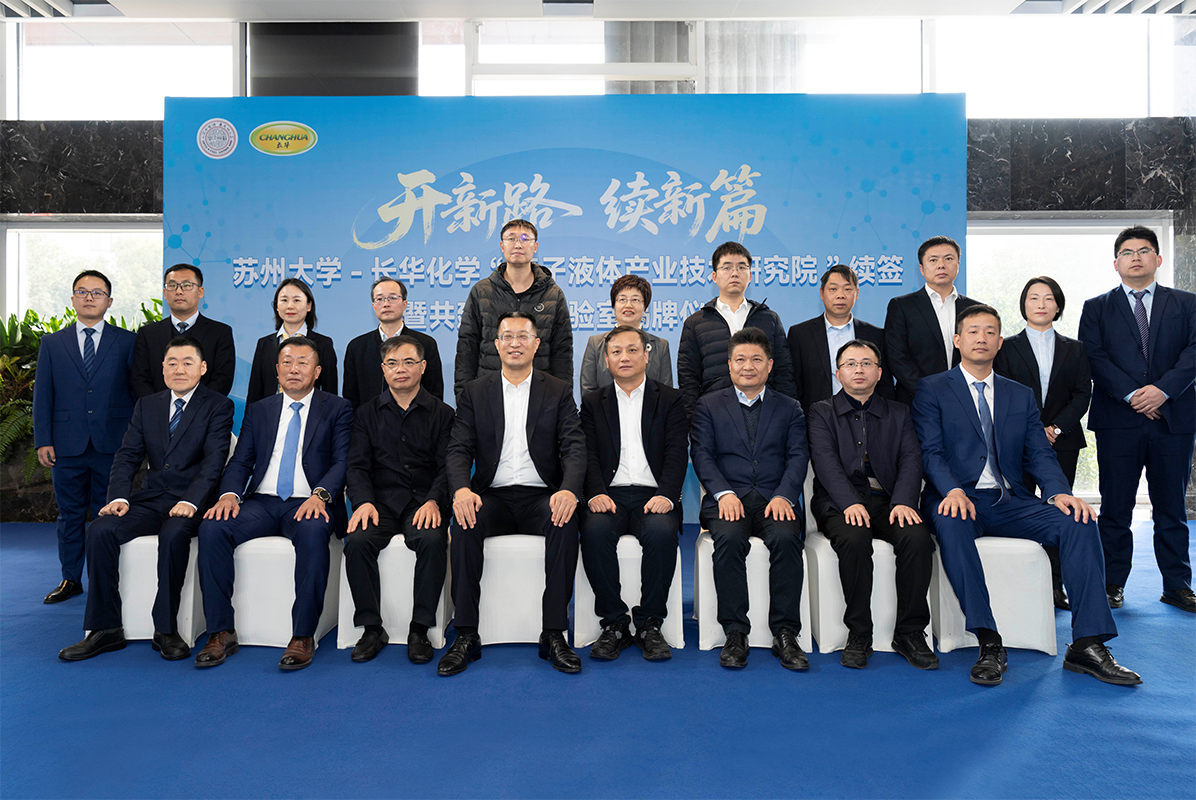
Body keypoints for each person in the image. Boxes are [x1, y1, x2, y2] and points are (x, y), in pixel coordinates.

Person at [912, 304, 1140, 686]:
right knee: (952, 523)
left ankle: (1087, 643)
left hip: (1010, 500)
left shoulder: (1019, 394)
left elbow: (1038, 453)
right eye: (973, 331)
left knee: (1078, 521)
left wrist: (1059, 492)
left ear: (1000, 342)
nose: (981, 338)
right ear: (957, 340)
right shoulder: (933, 388)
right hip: (957, 498)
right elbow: (930, 452)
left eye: (990, 332)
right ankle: (989, 641)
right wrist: (951, 489)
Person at [58, 337, 234, 662]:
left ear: (202, 368)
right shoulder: (147, 405)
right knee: (100, 530)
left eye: (187, 363)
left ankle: (165, 629)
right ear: (162, 368)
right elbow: (127, 456)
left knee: (173, 534)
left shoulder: (218, 406)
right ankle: (105, 628)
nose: (179, 369)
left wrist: (191, 501)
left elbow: (214, 462)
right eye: (172, 363)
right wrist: (119, 497)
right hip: (151, 499)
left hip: (192, 502)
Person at [439, 312, 586, 676]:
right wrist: (461, 490)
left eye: (523, 336)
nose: (515, 343)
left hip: (541, 497)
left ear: (536, 344)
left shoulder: (557, 390)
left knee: (564, 520)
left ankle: (553, 633)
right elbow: (458, 449)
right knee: (465, 521)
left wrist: (569, 490)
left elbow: (574, 446)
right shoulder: (476, 391)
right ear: (496, 344)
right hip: (493, 496)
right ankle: (466, 633)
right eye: (507, 336)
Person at [195, 336, 353, 670]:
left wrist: (320, 495)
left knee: (313, 532)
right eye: (287, 362)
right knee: (212, 527)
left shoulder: (337, 408)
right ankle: (221, 631)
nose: (294, 369)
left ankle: (302, 635)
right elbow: (241, 461)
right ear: (277, 370)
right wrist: (229, 494)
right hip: (262, 503)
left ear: (317, 371)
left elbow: (343, 461)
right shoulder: (260, 410)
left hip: (309, 501)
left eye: (303, 362)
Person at [1079, 226, 1196, 613]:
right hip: (1119, 420)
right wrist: (1134, 395)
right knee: (1115, 508)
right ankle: (1112, 583)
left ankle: (1177, 585)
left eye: (1144, 251)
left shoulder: (1187, 303)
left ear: (1157, 259)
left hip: (1172, 419)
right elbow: (1094, 357)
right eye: (1127, 252)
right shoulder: (1097, 307)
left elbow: (1193, 352)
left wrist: (1162, 391)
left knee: (1171, 508)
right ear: (1116, 263)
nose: (1135, 257)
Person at [807, 340, 936, 670]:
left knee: (918, 539)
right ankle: (859, 633)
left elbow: (911, 459)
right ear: (838, 373)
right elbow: (825, 462)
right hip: (840, 503)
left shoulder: (899, 412)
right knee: (854, 539)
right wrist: (849, 502)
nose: (859, 370)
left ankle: (909, 632)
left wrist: (904, 501)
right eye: (850, 364)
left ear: (879, 373)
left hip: (888, 501)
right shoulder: (821, 412)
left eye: (866, 363)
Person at [690, 327, 809, 671]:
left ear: (769, 365)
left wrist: (785, 495)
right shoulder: (709, 405)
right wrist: (724, 493)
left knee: (787, 539)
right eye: (740, 359)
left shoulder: (790, 408)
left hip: (775, 500)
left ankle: (785, 633)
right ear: (729, 365)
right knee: (728, 540)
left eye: (756, 359)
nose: (748, 366)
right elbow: (702, 455)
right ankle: (735, 633)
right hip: (728, 500)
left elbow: (798, 456)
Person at [343, 335, 454, 664]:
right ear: (383, 369)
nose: (400, 369)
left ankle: (419, 628)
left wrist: (434, 501)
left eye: (408, 362)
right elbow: (357, 466)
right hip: (379, 503)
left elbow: (449, 467)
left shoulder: (442, 413)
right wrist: (363, 502)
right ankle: (371, 628)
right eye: (392, 363)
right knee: (357, 542)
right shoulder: (366, 414)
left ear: (423, 367)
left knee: (432, 541)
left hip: (423, 502)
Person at [579, 326, 688, 661]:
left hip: (653, 495)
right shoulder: (593, 402)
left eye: (631, 350)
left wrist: (667, 495)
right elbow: (587, 454)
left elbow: (676, 452)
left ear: (646, 355)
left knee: (661, 532)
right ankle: (613, 623)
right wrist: (594, 493)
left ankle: (649, 624)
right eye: (616, 352)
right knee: (594, 531)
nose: (624, 357)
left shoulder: (669, 399)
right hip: (608, 495)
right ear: (606, 360)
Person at [32, 270, 136, 604]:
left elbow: (136, 394)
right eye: (82, 291)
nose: (89, 297)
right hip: (66, 444)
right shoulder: (52, 343)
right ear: (73, 299)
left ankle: (106, 580)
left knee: (108, 515)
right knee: (70, 515)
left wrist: (136, 442)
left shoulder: (127, 341)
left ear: (109, 300)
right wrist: (43, 439)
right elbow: (43, 395)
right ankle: (70, 579)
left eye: (97, 292)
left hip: (113, 442)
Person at [994, 276, 1092, 611]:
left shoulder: (1075, 348)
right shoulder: (1007, 347)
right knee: (1018, 509)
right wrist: (1035, 430)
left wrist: (1056, 428)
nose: (1041, 304)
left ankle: (1055, 585)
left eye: (1048, 298)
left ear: (1058, 306)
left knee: (1059, 510)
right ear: (1023, 305)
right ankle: (1022, 582)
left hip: (1062, 441)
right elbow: (1003, 393)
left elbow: (1082, 394)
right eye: (1033, 298)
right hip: (1018, 443)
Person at [454, 219, 572, 401]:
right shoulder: (481, 291)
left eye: (525, 239)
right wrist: (464, 397)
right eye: (511, 239)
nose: (518, 245)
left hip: (539, 395)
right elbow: (467, 348)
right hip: (489, 394)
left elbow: (562, 351)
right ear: (502, 246)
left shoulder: (553, 294)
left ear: (535, 246)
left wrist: (561, 399)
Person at [678, 242, 795, 418]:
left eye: (741, 267)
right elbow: (688, 380)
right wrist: (695, 421)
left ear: (750, 275)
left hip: (764, 413)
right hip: (714, 415)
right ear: (714, 276)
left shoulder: (769, 319)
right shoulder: (696, 323)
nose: (734, 273)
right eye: (727, 267)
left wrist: (785, 417)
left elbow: (784, 373)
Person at [884, 235, 979, 405]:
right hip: (917, 399)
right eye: (933, 260)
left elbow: (981, 353)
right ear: (922, 268)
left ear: (958, 264)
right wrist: (928, 391)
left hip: (966, 398)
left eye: (948, 259)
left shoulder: (975, 309)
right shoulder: (902, 306)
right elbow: (896, 356)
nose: (941, 265)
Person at [788, 264, 891, 416]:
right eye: (833, 289)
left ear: (856, 294)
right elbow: (793, 384)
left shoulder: (875, 335)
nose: (840, 295)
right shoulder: (800, 334)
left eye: (847, 289)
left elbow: (885, 385)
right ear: (822, 293)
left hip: (866, 418)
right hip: (816, 418)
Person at [131, 264, 235, 398]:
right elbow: (140, 379)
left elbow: (222, 379)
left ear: (200, 291)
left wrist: (193, 407)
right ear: (165, 293)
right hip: (157, 409)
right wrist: (161, 406)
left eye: (186, 285)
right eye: (172, 285)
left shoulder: (220, 333)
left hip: (204, 409)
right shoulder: (148, 333)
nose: (179, 291)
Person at [342, 277, 444, 407]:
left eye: (393, 298)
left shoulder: (426, 344)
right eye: (380, 299)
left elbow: (434, 392)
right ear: (373, 306)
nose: (386, 304)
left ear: (405, 304)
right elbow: (351, 397)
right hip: (369, 419)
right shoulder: (357, 347)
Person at [246, 278, 338, 404]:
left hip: (310, 412)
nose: (290, 306)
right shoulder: (264, 343)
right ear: (276, 306)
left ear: (309, 305)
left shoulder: (323, 344)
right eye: (284, 300)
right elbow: (255, 390)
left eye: (296, 300)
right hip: (270, 412)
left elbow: (330, 391)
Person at [579, 275, 673, 394]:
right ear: (614, 306)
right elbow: (588, 389)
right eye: (622, 299)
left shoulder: (661, 346)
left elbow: (666, 392)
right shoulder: (596, 343)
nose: (628, 305)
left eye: (635, 300)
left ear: (645, 308)